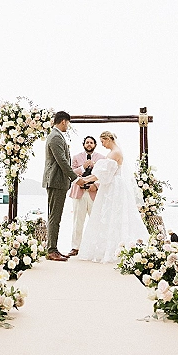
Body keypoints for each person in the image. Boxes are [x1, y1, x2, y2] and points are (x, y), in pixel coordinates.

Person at [78, 131, 148, 264]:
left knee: (112, 215)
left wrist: (85, 180)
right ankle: (111, 247)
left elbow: (103, 175)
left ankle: (113, 249)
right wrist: (86, 179)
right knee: (110, 216)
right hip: (111, 185)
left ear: (108, 139)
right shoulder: (113, 152)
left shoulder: (114, 153)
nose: (102, 145)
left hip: (114, 187)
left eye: (103, 142)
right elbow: (102, 174)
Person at [42, 111, 85, 261]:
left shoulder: (57, 136)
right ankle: (51, 250)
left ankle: (53, 248)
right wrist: (75, 179)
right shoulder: (55, 137)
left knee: (56, 216)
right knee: (55, 217)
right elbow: (62, 161)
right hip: (55, 181)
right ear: (63, 122)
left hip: (59, 182)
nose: (68, 126)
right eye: (68, 123)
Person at [68, 136, 105, 257]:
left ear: (95, 145)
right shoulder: (76, 157)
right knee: (78, 221)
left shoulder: (101, 158)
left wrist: (96, 185)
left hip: (94, 193)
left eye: (91, 142)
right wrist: (83, 167)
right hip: (79, 193)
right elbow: (71, 174)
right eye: (87, 142)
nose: (89, 144)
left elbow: (105, 176)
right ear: (83, 144)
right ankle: (75, 247)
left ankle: (96, 247)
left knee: (96, 221)